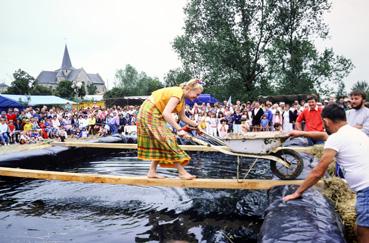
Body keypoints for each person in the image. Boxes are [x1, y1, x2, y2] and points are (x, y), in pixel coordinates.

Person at [283, 103, 369, 243]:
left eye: (324, 122)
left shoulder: (337, 138)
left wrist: (297, 193)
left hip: (366, 189)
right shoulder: (354, 132)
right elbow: (323, 135)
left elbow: (318, 172)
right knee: (359, 229)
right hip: (364, 188)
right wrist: (301, 133)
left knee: (363, 232)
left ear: (327, 121)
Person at [137, 79, 203, 180]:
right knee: (167, 140)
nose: (196, 97)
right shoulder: (178, 92)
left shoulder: (181, 98)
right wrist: (179, 130)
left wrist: (196, 126)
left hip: (153, 112)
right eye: (197, 94)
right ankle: (182, 172)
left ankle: (152, 172)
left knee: (161, 142)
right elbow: (166, 114)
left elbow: (183, 117)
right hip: (149, 112)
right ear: (190, 89)